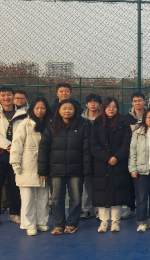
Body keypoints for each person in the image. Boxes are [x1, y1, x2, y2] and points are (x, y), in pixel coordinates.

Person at [38, 99, 91, 235]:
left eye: (70, 108)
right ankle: (58, 224)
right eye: (64, 108)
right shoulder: (51, 126)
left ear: (75, 111)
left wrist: (86, 169)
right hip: (55, 170)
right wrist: (43, 170)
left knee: (76, 198)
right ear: (59, 111)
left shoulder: (83, 126)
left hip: (76, 170)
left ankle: (72, 223)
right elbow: (44, 149)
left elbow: (86, 150)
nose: (67, 111)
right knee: (56, 198)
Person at [0, 86, 27, 227]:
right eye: (3, 95)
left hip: (18, 155)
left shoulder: (24, 113)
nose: (6, 97)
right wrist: (8, 146)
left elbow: (26, 132)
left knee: (16, 185)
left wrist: (16, 148)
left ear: (13, 97)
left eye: (9, 95)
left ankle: (14, 214)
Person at [9, 97, 52, 236]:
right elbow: (16, 145)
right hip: (26, 166)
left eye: (43, 108)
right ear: (32, 109)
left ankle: (41, 222)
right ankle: (29, 224)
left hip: (44, 167)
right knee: (27, 198)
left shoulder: (51, 124)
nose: (40, 111)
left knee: (44, 197)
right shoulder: (24, 124)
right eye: (37, 108)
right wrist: (16, 164)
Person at [90, 98, 132, 233]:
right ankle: (104, 222)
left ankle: (115, 222)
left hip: (118, 164)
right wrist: (107, 157)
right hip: (101, 164)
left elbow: (127, 144)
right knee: (102, 193)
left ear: (117, 108)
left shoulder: (123, 123)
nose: (111, 109)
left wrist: (116, 157)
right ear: (104, 108)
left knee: (117, 192)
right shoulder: (97, 123)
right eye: (109, 106)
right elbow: (93, 145)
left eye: (114, 106)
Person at [121, 91, 147, 220]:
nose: (138, 103)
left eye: (140, 100)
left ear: (144, 102)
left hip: (146, 156)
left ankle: (144, 209)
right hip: (130, 155)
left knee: (145, 185)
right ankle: (131, 208)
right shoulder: (125, 118)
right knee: (130, 184)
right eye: (135, 101)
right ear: (132, 103)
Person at [80, 93, 102, 220]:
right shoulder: (80, 120)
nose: (93, 104)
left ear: (100, 104)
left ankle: (100, 209)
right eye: (90, 102)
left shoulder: (104, 119)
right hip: (85, 155)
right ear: (86, 104)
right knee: (87, 184)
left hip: (100, 156)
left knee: (100, 184)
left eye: (95, 101)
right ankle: (88, 209)